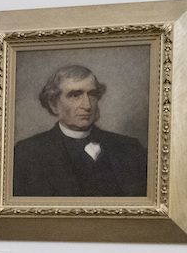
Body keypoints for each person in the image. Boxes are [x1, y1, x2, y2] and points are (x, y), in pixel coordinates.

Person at [12, 64, 148, 197]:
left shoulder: (131, 148)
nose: (87, 105)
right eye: (75, 95)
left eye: (92, 95)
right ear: (54, 105)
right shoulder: (26, 153)